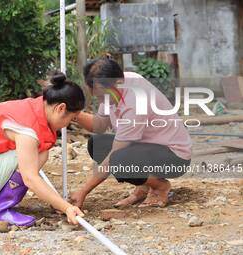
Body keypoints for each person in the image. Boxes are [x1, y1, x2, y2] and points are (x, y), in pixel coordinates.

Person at [0, 73, 85, 227]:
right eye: (73, 118)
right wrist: (66, 207)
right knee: (37, 154)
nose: (70, 123)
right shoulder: (28, 130)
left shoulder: (33, 107)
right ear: (60, 108)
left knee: (39, 152)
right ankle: (1, 211)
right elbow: (30, 179)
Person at [70, 57, 191, 208]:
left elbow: (113, 156)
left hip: (175, 156)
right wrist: (72, 112)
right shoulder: (114, 87)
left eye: (102, 96)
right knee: (96, 144)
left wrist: (83, 192)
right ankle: (144, 185)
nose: (101, 100)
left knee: (119, 161)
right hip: (148, 148)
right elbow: (100, 125)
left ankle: (160, 186)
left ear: (118, 82)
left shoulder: (136, 101)